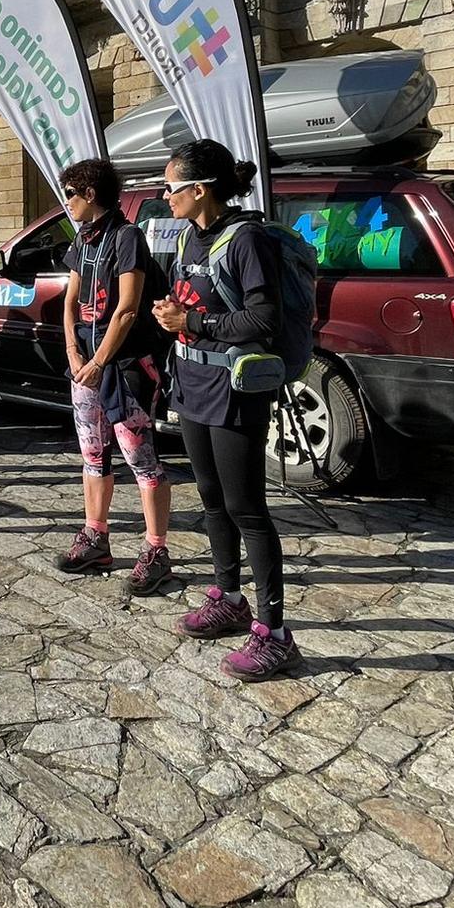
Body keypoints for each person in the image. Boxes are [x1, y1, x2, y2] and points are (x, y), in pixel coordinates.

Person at [151, 139, 302, 683]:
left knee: (247, 507)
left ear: (200, 188)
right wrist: (172, 318)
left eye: (171, 188)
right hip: (192, 382)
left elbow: (263, 318)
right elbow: (192, 301)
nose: (164, 196)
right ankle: (229, 596)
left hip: (235, 388)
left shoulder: (247, 241)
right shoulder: (191, 236)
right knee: (212, 499)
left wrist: (194, 325)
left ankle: (276, 634)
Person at [53, 158, 174, 594]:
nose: (67, 202)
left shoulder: (127, 237)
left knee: (141, 458)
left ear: (89, 194)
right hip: (83, 365)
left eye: (70, 193)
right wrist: (72, 351)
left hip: (123, 367)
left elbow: (126, 308)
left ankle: (156, 549)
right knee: (92, 454)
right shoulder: (82, 240)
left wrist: (99, 361)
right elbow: (69, 300)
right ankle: (95, 536)